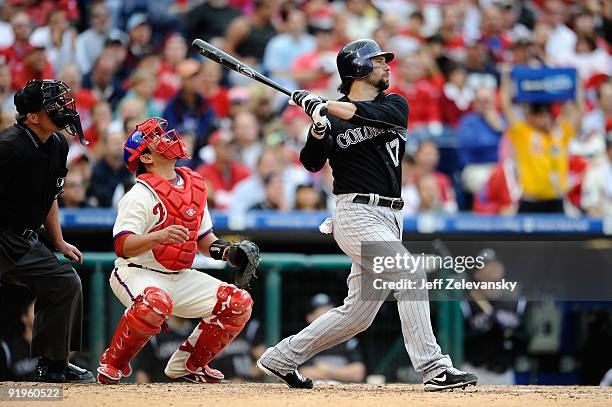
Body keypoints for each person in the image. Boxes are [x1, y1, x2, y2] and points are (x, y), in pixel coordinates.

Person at [256, 39, 477, 391]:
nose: (387, 66)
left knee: (357, 315)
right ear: (357, 68)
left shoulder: (394, 104)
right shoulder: (332, 116)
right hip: (355, 213)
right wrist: (317, 126)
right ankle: (434, 368)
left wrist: (323, 104)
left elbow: (366, 115)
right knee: (410, 275)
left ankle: (281, 357)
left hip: (391, 216)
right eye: (377, 61)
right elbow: (312, 162)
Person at [97, 117, 259, 384]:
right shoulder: (138, 195)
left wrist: (229, 253)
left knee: (237, 303)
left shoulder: (195, 186)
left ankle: (189, 364)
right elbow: (122, 246)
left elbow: (205, 240)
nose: (166, 139)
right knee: (155, 303)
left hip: (180, 275)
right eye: (155, 139)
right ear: (146, 158)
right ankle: (113, 363)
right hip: (139, 272)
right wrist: (158, 236)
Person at [0, 79, 93, 383]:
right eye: (53, 105)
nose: (63, 108)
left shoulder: (58, 145)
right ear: (33, 117)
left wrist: (59, 241)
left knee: (65, 282)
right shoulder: (9, 146)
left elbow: (50, 196)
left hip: (23, 237)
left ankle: (54, 366)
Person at [299, 294, 366, 383]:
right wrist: (341, 373)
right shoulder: (305, 343)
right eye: (320, 314)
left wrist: (325, 369)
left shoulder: (348, 340)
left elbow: (357, 374)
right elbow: (304, 373)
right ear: (310, 317)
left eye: (329, 313)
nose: (326, 319)